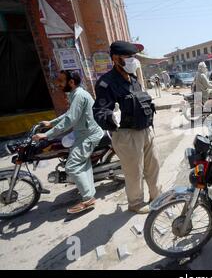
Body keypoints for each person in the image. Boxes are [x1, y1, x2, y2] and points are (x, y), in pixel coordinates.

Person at [92, 41, 161, 214]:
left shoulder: (134, 79)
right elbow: (99, 111)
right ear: (116, 58)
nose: (133, 60)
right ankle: (135, 203)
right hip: (127, 134)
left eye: (134, 57)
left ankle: (157, 196)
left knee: (153, 166)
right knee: (133, 172)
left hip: (146, 130)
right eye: (129, 57)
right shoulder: (106, 83)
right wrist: (111, 117)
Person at [32, 71, 104, 214]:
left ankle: (88, 199)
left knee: (72, 166)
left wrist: (46, 135)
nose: (58, 84)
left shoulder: (78, 95)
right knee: (82, 164)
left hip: (88, 136)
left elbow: (70, 120)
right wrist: (51, 123)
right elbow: (69, 114)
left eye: (61, 81)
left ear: (71, 82)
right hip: (83, 134)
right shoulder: (76, 94)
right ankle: (89, 192)